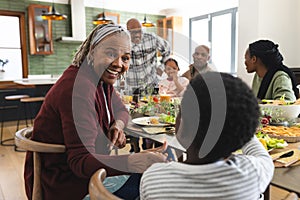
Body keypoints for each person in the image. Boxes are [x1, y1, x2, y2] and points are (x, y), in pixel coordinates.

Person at [24, 24, 167, 200]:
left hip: (86, 172)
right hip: (64, 186)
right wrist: (133, 161)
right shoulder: (79, 87)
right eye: (111, 53)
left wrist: (117, 125)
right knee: (153, 183)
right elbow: (80, 162)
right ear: (91, 52)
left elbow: (122, 110)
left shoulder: (100, 79)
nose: (118, 64)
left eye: (125, 58)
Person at [140, 72, 274, 200]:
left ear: (182, 124)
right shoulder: (252, 173)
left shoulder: (153, 178)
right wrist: (240, 124)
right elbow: (262, 155)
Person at [125, 18, 171, 91]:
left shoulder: (151, 38)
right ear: (128, 31)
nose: (137, 35)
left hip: (151, 85)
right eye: (133, 32)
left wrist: (162, 67)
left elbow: (167, 48)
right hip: (131, 88)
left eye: (139, 31)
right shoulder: (123, 42)